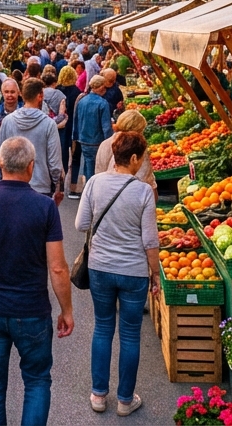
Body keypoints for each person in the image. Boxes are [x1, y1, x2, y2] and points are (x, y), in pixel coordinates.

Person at [0, 137, 74, 426]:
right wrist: (66, 310)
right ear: (31, 167)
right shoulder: (44, 207)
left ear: (0, 163)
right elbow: (57, 268)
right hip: (31, 310)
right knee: (36, 381)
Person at [76, 132, 159, 416]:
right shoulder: (143, 192)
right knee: (130, 334)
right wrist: (156, 275)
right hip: (134, 272)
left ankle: (99, 396)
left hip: (100, 267)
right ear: (134, 158)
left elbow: (81, 223)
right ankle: (125, 400)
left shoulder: (95, 183)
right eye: (142, 158)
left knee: (102, 328)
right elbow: (150, 241)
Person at [0, 78, 65, 204]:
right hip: (40, 186)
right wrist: (57, 185)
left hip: (11, 184)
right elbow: (54, 163)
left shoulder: (7, 121)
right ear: (40, 96)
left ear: (22, 94)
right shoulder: (49, 124)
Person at [73, 76, 115, 197]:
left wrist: (76, 137)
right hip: (97, 141)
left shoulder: (82, 101)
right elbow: (106, 127)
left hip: (84, 139)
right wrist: (110, 142)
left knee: (88, 164)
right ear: (99, 87)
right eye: (103, 86)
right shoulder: (103, 103)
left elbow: (77, 120)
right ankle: (93, 193)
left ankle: (88, 189)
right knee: (97, 168)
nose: (105, 89)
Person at [94, 110, 155, 185]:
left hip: (106, 191)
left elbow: (99, 172)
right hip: (131, 193)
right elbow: (144, 179)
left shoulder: (104, 144)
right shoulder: (137, 148)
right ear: (137, 131)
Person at [55, 66, 82, 174]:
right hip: (72, 123)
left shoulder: (57, 90)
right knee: (72, 149)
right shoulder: (76, 91)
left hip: (59, 122)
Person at [40, 72, 68, 136]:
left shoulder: (39, 94)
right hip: (57, 129)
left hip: (42, 125)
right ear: (54, 83)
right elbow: (61, 115)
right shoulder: (59, 94)